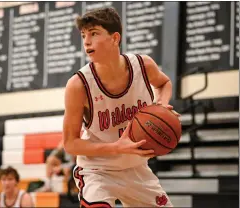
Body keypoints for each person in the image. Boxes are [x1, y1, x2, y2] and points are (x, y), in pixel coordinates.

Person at [63, 7, 179, 207]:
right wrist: (115, 147)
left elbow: (164, 83)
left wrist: (161, 105)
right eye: (83, 35)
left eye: (94, 33)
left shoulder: (143, 66)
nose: (86, 41)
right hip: (97, 170)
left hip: (136, 169)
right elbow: (70, 143)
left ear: (115, 38)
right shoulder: (78, 85)